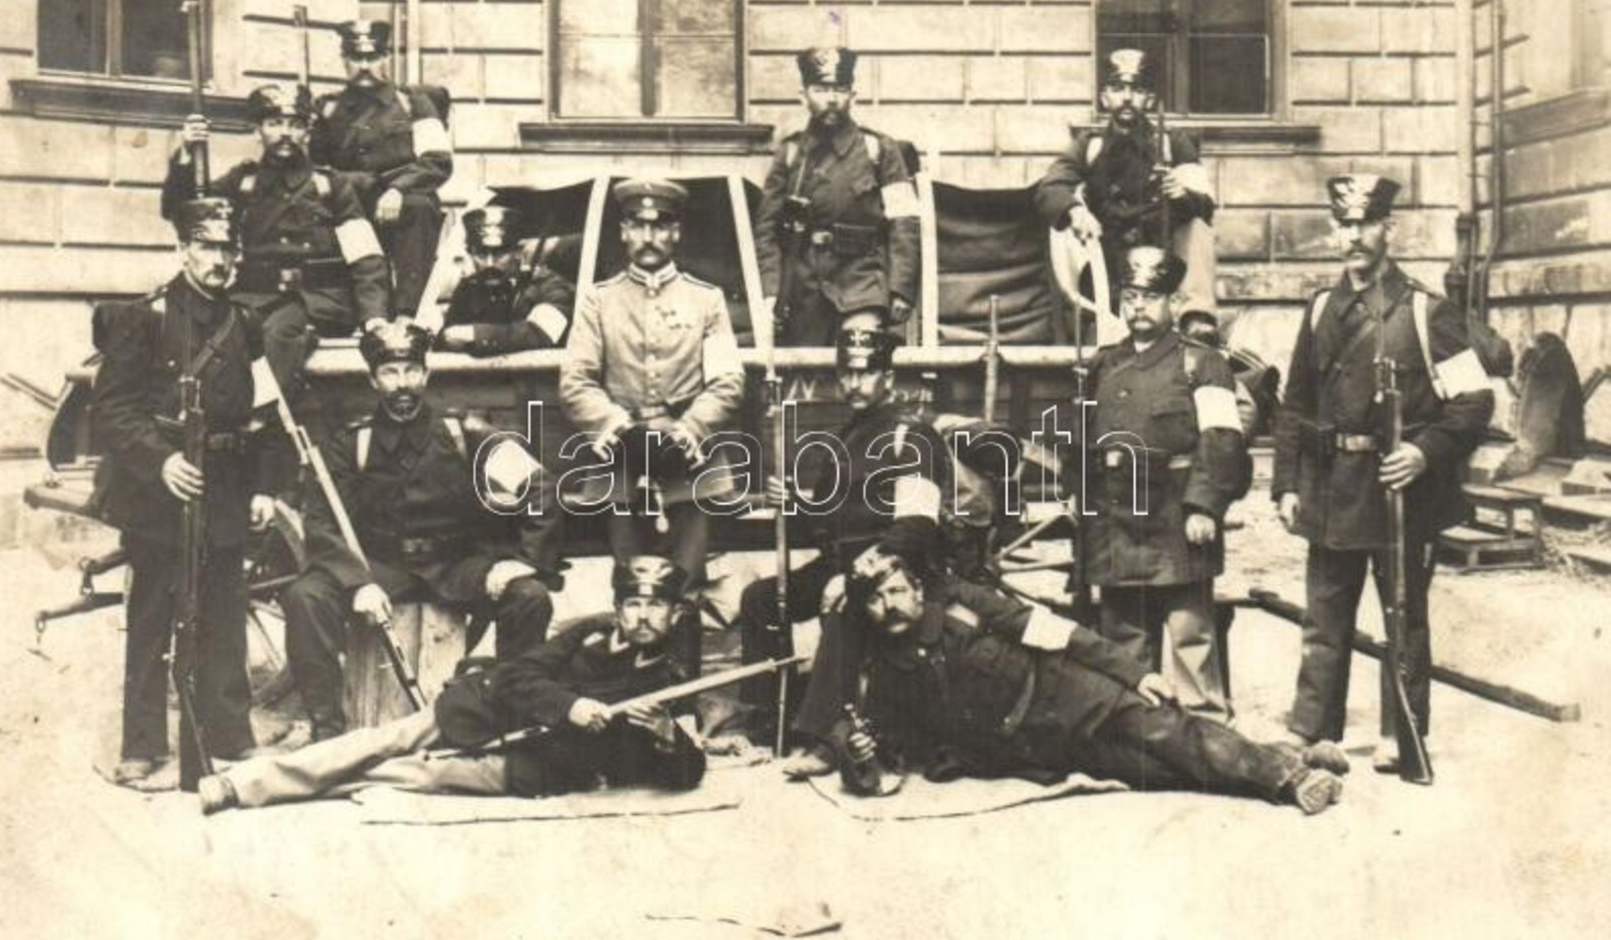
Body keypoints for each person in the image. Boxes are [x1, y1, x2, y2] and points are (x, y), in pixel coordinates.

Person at [834, 521, 1348, 815]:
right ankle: (1283, 758)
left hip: (1070, 687)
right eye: (875, 601)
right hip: (1037, 744)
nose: (891, 607)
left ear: (918, 589)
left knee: (1171, 733)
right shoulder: (886, 670)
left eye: (897, 591)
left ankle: (1290, 777)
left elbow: (1058, 632)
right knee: (1159, 772)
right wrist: (864, 754)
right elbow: (892, 746)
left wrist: (1132, 672)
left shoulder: (963, 603)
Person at [1274, 175, 1495, 770]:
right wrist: (1287, 483)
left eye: (1366, 224)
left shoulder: (1427, 312)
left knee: (1403, 619)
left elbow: (1475, 403)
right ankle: (1311, 729)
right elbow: (1295, 404)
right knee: (1324, 616)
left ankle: (1403, 735)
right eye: (1344, 224)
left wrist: (1425, 452)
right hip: (1328, 488)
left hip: (1399, 491)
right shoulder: (1322, 307)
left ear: (1388, 230)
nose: (1354, 236)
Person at [198, 557, 705, 813]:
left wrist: (664, 734)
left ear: (675, 613)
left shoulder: (668, 680)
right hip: (482, 711)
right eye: (634, 605)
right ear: (618, 608)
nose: (642, 617)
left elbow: (689, 769)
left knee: (401, 775)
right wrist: (571, 705)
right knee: (376, 742)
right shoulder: (587, 633)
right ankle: (242, 787)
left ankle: (303, 788)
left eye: (656, 606)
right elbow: (516, 675)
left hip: (529, 765)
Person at [280, 319, 562, 742]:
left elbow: (542, 487)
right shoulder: (350, 444)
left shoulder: (463, 433)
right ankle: (329, 733)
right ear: (374, 380)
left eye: (411, 371)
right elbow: (321, 520)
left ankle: (511, 716)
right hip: (380, 569)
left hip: (455, 567)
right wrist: (357, 582)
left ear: (426, 375)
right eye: (390, 374)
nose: (402, 384)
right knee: (305, 598)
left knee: (530, 598)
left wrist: (521, 563)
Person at [90, 198, 287, 788]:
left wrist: (267, 487)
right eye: (209, 246)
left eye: (230, 249)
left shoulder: (246, 323)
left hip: (226, 487)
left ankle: (228, 735)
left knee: (224, 608)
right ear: (183, 250)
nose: (221, 259)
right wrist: (163, 461)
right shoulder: (144, 318)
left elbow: (267, 412)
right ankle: (143, 745)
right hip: (162, 492)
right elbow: (113, 411)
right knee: (153, 614)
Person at [738, 324, 949, 774]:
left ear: (888, 379)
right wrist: (791, 505)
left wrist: (856, 574)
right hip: (838, 564)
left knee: (843, 602)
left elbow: (915, 528)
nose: (854, 383)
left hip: (896, 572)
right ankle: (765, 722)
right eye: (846, 374)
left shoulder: (910, 437)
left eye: (866, 373)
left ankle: (825, 741)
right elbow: (823, 526)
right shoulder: (841, 440)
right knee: (759, 600)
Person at [559, 178, 746, 676]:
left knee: (682, 586)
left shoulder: (706, 301)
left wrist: (689, 429)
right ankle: (627, 697)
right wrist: (619, 426)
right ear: (623, 231)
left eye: (658, 226)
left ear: (675, 233)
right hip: (622, 462)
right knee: (631, 587)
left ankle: (681, 702)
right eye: (637, 224)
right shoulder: (598, 301)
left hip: (689, 463)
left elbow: (728, 380)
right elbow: (575, 381)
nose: (647, 236)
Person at [1076, 246, 1249, 717]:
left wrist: (1203, 506)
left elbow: (1223, 439)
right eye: (1130, 296)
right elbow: (1085, 445)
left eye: (1150, 297)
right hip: (1118, 516)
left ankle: (1205, 725)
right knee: (1124, 630)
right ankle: (1138, 725)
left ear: (1173, 304)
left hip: (1176, 514)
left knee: (1189, 628)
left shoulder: (1202, 363)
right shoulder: (1102, 365)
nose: (1137, 306)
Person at [163, 83, 392, 401]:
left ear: (307, 133)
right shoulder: (242, 182)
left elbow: (365, 257)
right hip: (254, 297)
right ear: (258, 131)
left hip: (320, 301)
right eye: (274, 123)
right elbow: (183, 211)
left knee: (279, 329)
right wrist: (186, 154)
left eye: (295, 125)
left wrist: (374, 316)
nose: (285, 133)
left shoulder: (332, 186)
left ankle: (259, 418)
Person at [1035, 48, 1217, 331]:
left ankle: (1196, 317)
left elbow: (1206, 206)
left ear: (1151, 99)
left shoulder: (1173, 143)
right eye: (1118, 88)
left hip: (1160, 261)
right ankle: (1088, 319)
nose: (1128, 98)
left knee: (1196, 227)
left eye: (1138, 89)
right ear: (1104, 98)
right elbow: (1051, 187)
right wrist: (1075, 212)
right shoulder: (1089, 145)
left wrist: (1184, 195)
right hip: (1108, 262)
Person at [754, 46, 921, 346]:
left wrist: (901, 289)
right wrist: (770, 292)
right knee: (805, 383)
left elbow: (904, 222)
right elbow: (766, 230)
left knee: (861, 362)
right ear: (803, 96)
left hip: (863, 284)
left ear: (852, 96)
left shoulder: (880, 150)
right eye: (820, 89)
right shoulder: (790, 154)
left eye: (839, 89)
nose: (831, 99)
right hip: (803, 290)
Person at [311, 20, 452, 317]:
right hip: (349, 200)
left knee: (419, 207)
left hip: (402, 199)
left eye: (372, 58)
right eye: (356, 58)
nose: (364, 66)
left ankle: (408, 313)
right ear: (344, 62)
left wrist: (398, 189)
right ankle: (345, 311)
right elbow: (316, 166)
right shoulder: (327, 108)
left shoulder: (413, 103)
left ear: (386, 59)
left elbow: (438, 160)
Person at [436, 205, 576, 356]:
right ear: (470, 253)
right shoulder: (469, 287)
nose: (490, 264)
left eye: (499, 254)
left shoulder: (551, 286)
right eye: (481, 254)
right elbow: (448, 336)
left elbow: (542, 333)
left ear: (518, 252)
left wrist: (476, 335)